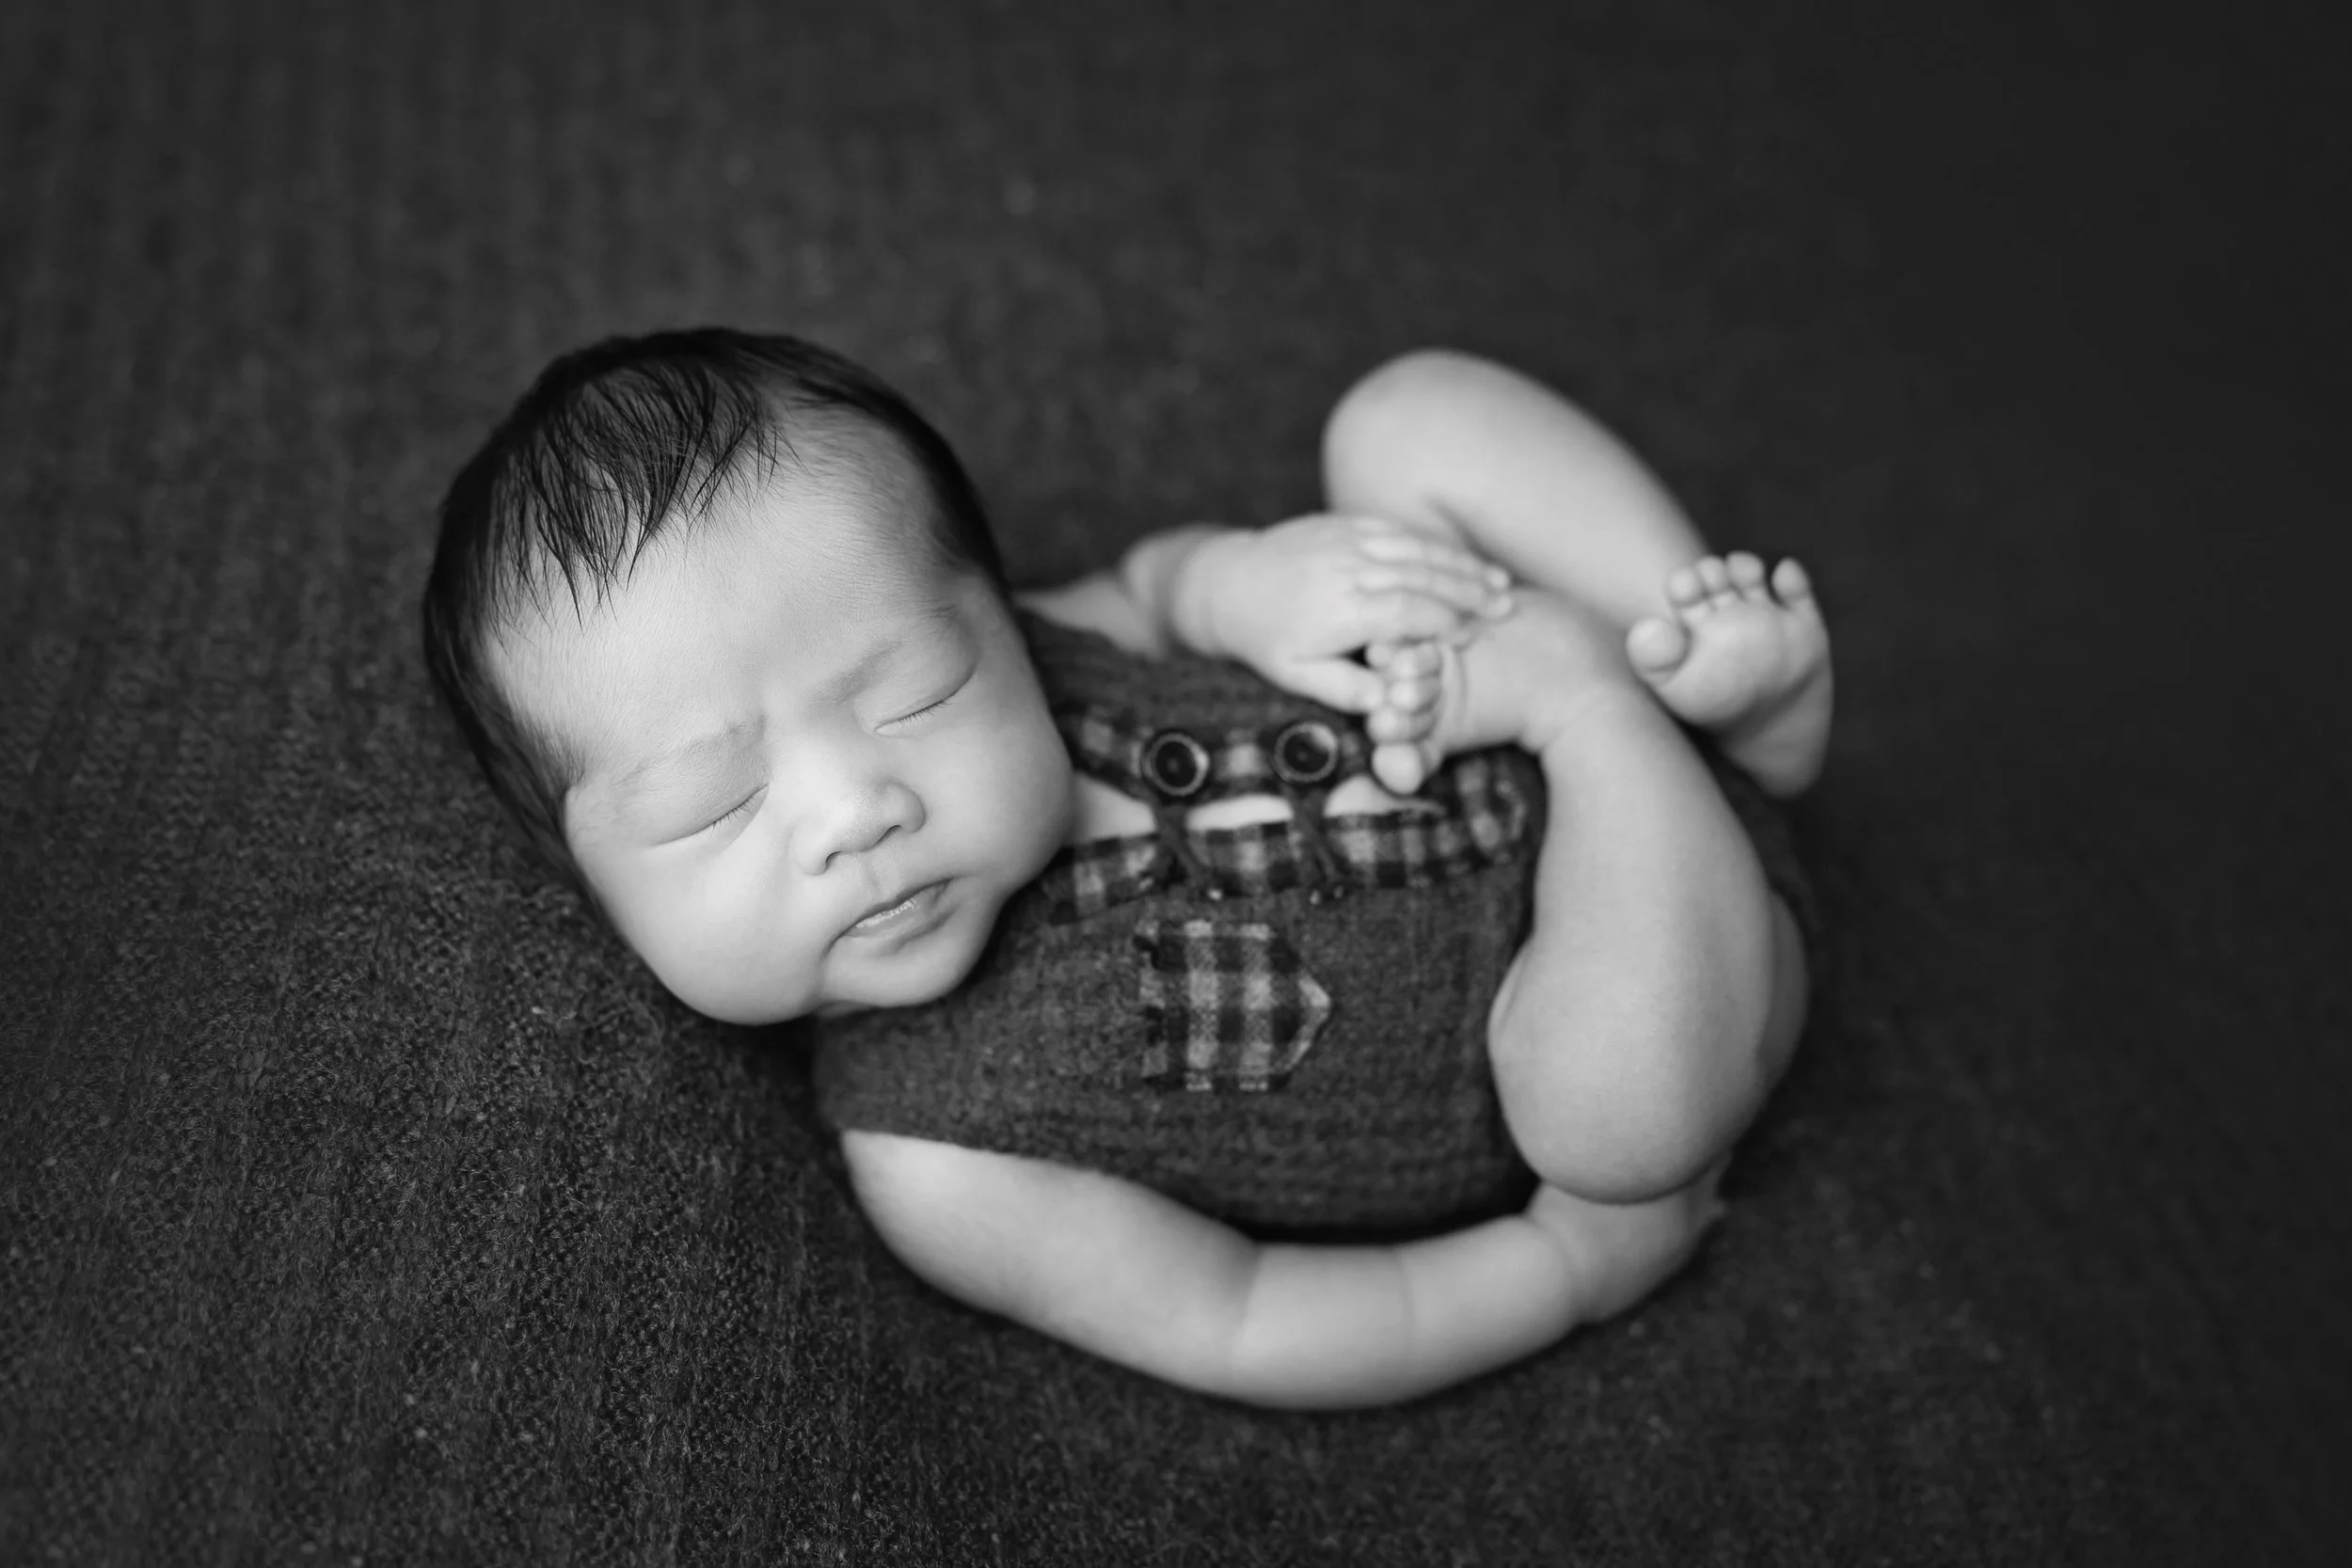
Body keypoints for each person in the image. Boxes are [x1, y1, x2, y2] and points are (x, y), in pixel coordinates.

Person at [421, 330, 1833, 1408]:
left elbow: (1157, 584)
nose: (857, 803)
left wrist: (1246, 584)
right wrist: (1561, 1271)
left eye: (913, 689)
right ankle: (1617, 714)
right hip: (1658, 965)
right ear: (589, 886)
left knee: (1405, 416)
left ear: (991, 614)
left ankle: (1693, 662)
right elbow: (1241, 1313)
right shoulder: (945, 1163)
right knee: (1618, 1120)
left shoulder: (1040, 641)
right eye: (715, 803)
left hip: (1479, 650)